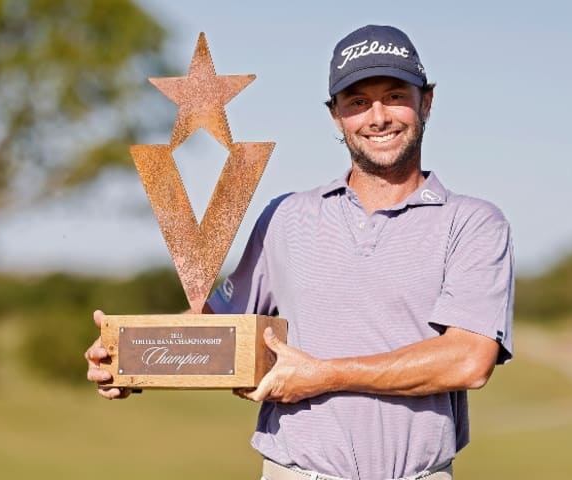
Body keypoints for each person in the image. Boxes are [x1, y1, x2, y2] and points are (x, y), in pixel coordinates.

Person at [86, 24, 514, 480]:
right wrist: (132, 356)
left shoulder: (473, 222)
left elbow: (469, 360)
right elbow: (217, 330)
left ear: (425, 101)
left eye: (394, 96)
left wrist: (323, 374)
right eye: (357, 102)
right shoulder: (286, 217)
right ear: (336, 116)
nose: (378, 117)